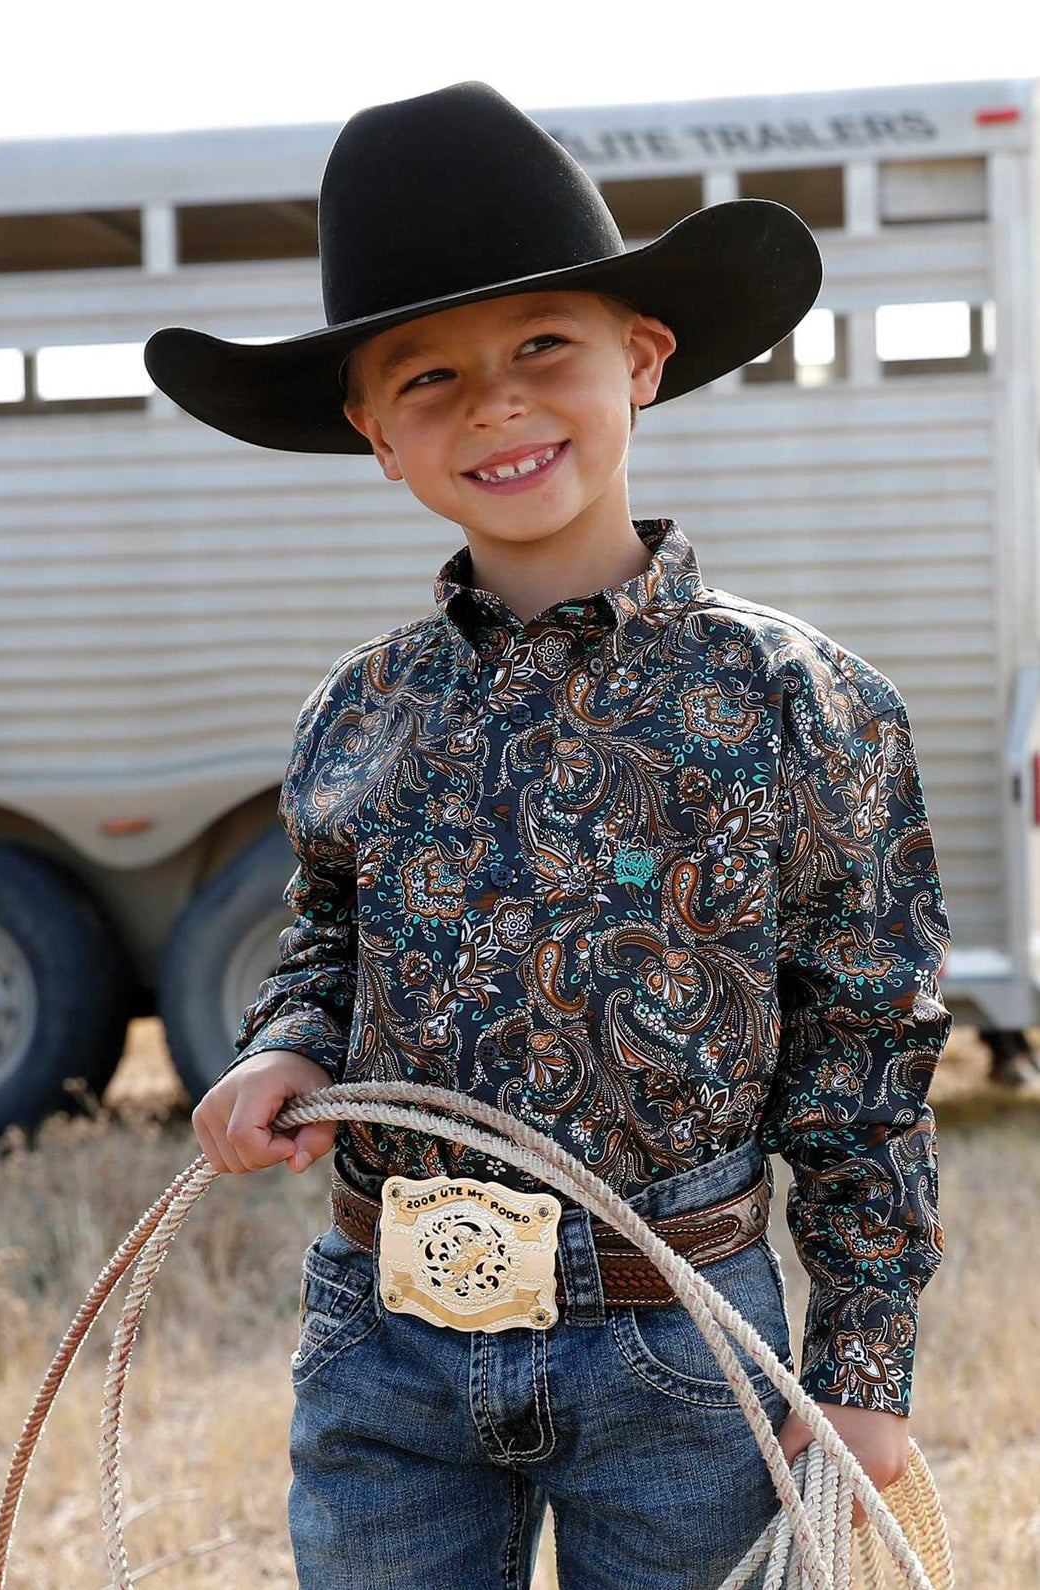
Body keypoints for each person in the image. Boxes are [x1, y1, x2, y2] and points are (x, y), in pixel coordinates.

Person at [146, 80, 954, 1590]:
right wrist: (285, 1042)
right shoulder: (362, 707)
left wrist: (863, 1357)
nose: (496, 404)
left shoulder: (802, 703)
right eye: (429, 377)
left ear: (642, 359)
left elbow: (865, 1039)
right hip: (389, 1339)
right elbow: (328, 934)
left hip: (681, 1335)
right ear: (374, 431)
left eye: (541, 349)